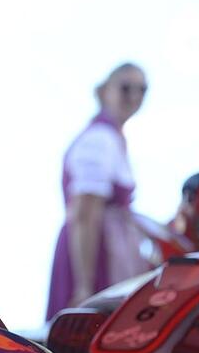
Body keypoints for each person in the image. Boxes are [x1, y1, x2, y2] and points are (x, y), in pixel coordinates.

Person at [46, 63, 150, 320]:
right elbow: (85, 214)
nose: (134, 96)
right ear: (105, 91)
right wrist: (84, 285)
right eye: (126, 88)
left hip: (108, 250)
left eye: (142, 90)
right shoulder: (99, 140)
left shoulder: (111, 137)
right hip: (96, 255)